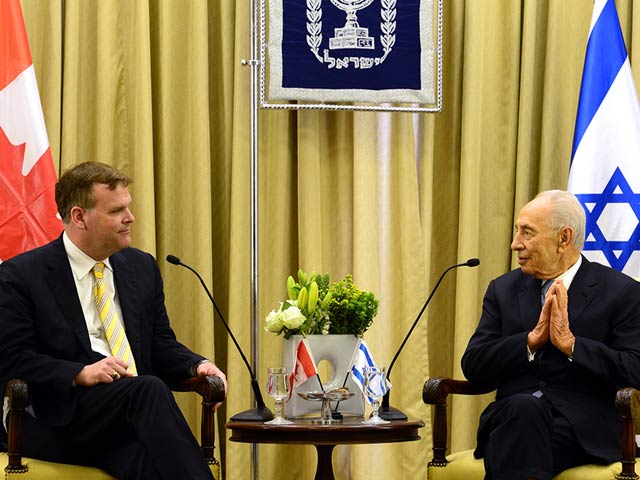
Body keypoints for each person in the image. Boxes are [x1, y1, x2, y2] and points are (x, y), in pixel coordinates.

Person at [0, 161, 227, 479]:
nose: (130, 218)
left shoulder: (141, 267)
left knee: (147, 464)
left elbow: (159, 343)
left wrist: (196, 365)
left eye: (128, 207)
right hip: (59, 416)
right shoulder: (22, 275)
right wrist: (79, 373)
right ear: (79, 216)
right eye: (117, 211)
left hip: (126, 418)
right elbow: (12, 358)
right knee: (147, 389)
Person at [461, 190, 640, 480]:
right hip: (512, 418)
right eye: (517, 231)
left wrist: (573, 346)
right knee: (522, 414)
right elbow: (474, 365)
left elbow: (635, 368)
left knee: (513, 446)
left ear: (564, 239)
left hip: (582, 431)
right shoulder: (502, 290)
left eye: (527, 233)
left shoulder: (621, 292)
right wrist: (528, 342)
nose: (514, 244)